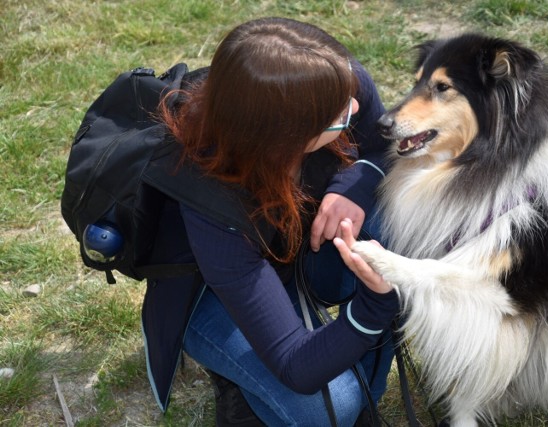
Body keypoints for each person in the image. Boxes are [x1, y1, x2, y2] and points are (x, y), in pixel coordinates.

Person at [142, 17, 399, 426]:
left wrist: (356, 182)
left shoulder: (337, 82)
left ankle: (367, 393)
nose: (354, 109)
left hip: (297, 249)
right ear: (287, 138)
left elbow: (384, 143)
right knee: (331, 410)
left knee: (403, 224)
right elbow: (297, 366)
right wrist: (379, 302)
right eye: (339, 115)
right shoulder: (211, 199)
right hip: (212, 294)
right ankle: (238, 377)